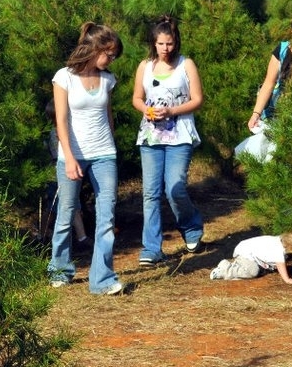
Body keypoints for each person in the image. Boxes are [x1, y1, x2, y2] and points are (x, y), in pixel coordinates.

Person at [47, 22, 124, 295]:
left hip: (104, 155)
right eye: (109, 54)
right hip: (72, 155)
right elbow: (61, 120)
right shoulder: (63, 77)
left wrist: (112, 146)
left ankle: (102, 279)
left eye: (114, 55)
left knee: (107, 215)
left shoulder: (108, 79)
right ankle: (60, 269)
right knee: (66, 214)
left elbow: (108, 116)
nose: (111, 59)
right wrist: (68, 157)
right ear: (93, 48)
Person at [132, 15, 204, 267]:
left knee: (175, 187)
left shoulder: (187, 64)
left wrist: (172, 111)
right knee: (150, 193)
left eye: (170, 44)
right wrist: (147, 110)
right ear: (154, 43)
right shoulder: (145, 66)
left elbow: (197, 99)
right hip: (151, 136)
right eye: (161, 44)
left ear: (176, 42)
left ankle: (192, 227)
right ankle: (151, 248)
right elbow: (137, 98)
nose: (165, 49)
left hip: (180, 134)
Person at [235, 8, 292, 161]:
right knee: (266, 160)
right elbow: (268, 84)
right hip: (274, 115)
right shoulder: (282, 49)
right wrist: (255, 114)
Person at [39, 100, 92, 252]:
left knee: (73, 205)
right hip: (56, 174)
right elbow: (57, 155)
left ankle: (81, 237)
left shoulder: (66, 131)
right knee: (52, 207)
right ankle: (43, 236)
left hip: (65, 172)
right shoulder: (55, 134)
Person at [209, 232, 292, 284]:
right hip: (246, 254)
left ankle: (237, 270)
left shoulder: (282, 242)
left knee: (257, 271)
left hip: (251, 252)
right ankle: (225, 269)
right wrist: (287, 280)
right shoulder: (277, 250)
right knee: (253, 271)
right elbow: (280, 265)